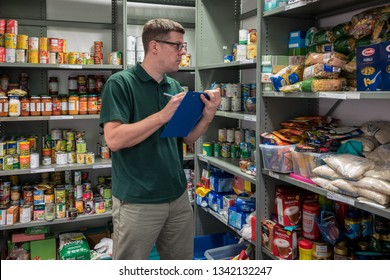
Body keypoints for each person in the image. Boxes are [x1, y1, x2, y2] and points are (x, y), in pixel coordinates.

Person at [99, 18, 221, 260]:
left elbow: (186, 139)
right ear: (154, 46)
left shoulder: (174, 86)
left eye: (184, 46)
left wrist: (207, 117)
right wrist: (162, 116)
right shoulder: (120, 83)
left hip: (176, 197)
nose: (183, 52)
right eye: (177, 46)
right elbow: (113, 139)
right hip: (137, 201)